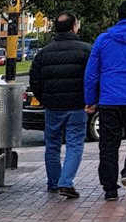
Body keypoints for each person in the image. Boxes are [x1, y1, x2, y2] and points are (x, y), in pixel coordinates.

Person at [29, 12, 91, 198]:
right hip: (77, 105)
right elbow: (91, 78)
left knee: (52, 145)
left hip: (53, 107)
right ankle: (66, 182)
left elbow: (35, 81)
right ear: (74, 27)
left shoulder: (43, 54)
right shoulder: (86, 50)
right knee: (74, 145)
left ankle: (54, 182)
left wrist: (45, 99)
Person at [85, 0, 126, 200]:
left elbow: (91, 74)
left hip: (109, 101)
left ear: (118, 16)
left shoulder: (103, 39)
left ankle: (109, 189)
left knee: (108, 145)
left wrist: (90, 99)